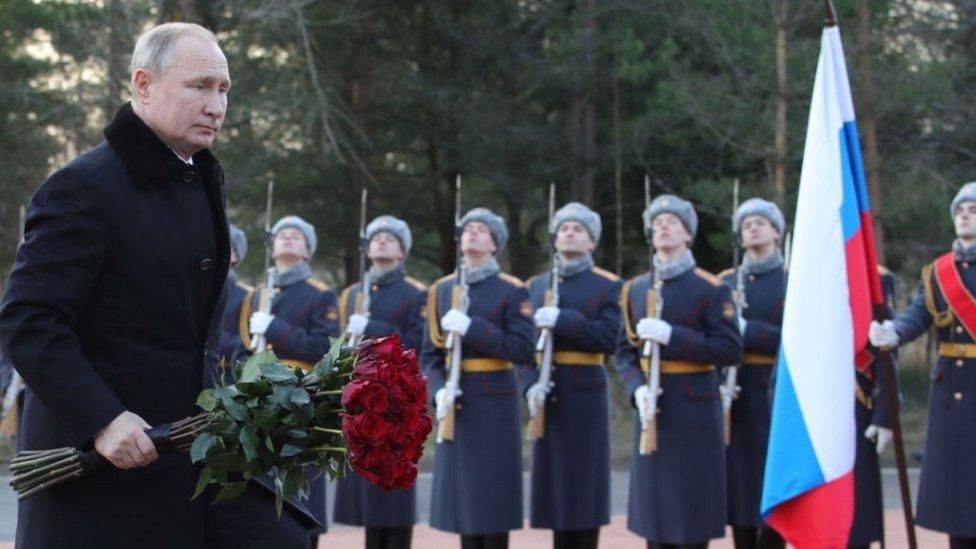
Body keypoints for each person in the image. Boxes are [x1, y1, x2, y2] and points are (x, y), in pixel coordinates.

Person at [0, 22, 240, 548]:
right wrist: (101, 419)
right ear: (143, 85)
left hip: (179, 469)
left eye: (223, 90)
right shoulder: (84, 187)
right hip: (95, 481)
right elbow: (29, 320)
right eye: (199, 85)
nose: (216, 105)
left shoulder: (199, 180)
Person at [616, 194, 742, 549]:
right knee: (655, 520)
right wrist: (635, 389)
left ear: (688, 233)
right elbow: (624, 352)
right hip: (652, 412)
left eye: (672, 222)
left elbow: (730, 349)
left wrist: (675, 336)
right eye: (656, 224)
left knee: (690, 516)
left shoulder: (711, 288)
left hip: (694, 413)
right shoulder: (635, 289)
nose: (663, 228)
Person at [869, 181, 976, 548]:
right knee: (958, 499)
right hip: (950, 393)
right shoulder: (938, 273)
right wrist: (894, 332)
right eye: (960, 211)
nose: (964, 216)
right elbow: (917, 316)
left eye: (972, 210)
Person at [422, 207, 535, 549]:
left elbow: (523, 349)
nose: (472, 232)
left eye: (481, 229)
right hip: (457, 404)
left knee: (493, 499)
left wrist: (473, 328)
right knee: (465, 504)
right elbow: (429, 355)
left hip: (495, 403)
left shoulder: (511, 291)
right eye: (468, 228)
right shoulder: (440, 290)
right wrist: (437, 390)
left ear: (495, 244)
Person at [233, 214, 339, 548]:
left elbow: (323, 348)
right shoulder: (258, 295)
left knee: (301, 486)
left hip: (301, 397)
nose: (288, 238)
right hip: (258, 398)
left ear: (307, 251)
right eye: (282, 234)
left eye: (297, 236)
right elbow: (240, 349)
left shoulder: (320, 295)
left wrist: (275, 327)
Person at [519, 202, 621, 549]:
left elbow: (610, 338)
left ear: (592, 242)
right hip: (546, 393)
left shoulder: (607, 285)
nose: (569, 233)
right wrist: (527, 383)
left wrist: (564, 320)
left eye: (578, 229)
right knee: (555, 490)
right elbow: (521, 345)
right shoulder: (535, 285)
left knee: (584, 487)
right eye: (563, 228)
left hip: (585, 392)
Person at [333, 214, 427, 549]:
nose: (382, 241)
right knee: (370, 492)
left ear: (402, 251)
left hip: (397, 401)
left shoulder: (416, 293)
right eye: (376, 237)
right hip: (360, 401)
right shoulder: (351, 295)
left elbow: (418, 344)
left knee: (395, 490)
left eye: (391, 238)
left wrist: (373, 325)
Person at [718, 198, 786, 549]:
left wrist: (747, 330)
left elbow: (797, 340)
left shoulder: (792, 280)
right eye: (745, 225)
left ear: (777, 231)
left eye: (760, 222)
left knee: (770, 481)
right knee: (738, 484)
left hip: (773, 391)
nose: (752, 229)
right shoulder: (725, 281)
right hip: (733, 392)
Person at [216, 223, 252, 379]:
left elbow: (247, 343)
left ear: (235, 255)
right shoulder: (193, 289)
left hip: (227, 376)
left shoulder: (247, 295)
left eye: (225, 244)